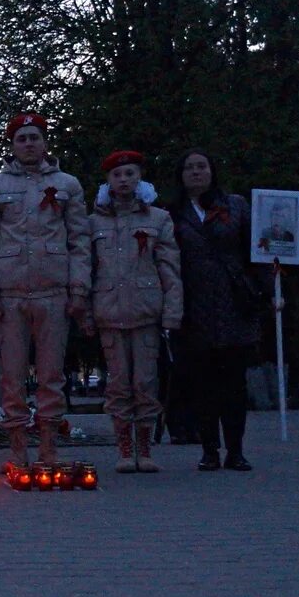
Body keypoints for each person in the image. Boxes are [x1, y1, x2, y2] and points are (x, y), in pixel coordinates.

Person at [0, 114, 90, 468]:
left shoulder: (68, 184)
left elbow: (79, 241)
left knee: (52, 375)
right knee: (12, 375)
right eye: (21, 138)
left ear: (45, 143)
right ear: (11, 145)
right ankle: (18, 448)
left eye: (34, 137)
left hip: (54, 291)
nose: (28, 144)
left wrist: (79, 288)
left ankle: (49, 446)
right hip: (10, 294)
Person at [87, 151, 182, 473]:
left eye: (129, 173)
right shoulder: (94, 222)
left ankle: (145, 447)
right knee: (118, 384)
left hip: (146, 312)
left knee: (145, 382)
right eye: (117, 175)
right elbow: (87, 270)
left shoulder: (158, 219)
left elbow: (169, 268)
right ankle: (124, 449)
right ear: (108, 181)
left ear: (139, 177)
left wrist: (171, 313)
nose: (124, 180)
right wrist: (86, 313)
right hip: (109, 313)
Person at [169, 149, 259, 472]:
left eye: (202, 166)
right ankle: (209, 450)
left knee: (235, 383)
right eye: (189, 167)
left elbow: (256, 249)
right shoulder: (174, 213)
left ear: (212, 171)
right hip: (194, 306)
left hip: (234, 302)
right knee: (202, 383)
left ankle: (236, 450)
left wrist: (269, 286)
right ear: (180, 175)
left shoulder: (235, 205)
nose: (196, 172)